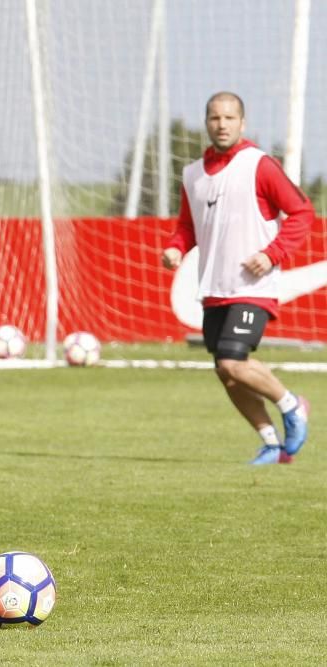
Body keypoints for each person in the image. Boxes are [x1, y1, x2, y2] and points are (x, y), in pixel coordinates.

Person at [162, 91, 314, 466]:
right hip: (214, 287)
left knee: (233, 362)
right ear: (207, 122)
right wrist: (176, 248)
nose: (222, 124)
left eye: (230, 118)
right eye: (215, 118)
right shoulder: (192, 174)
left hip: (252, 287)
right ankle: (271, 443)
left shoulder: (259, 165)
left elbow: (302, 213)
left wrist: (271, 253)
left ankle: (293, 406)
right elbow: (187, 226)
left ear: (242, 123)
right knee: (227, 374)